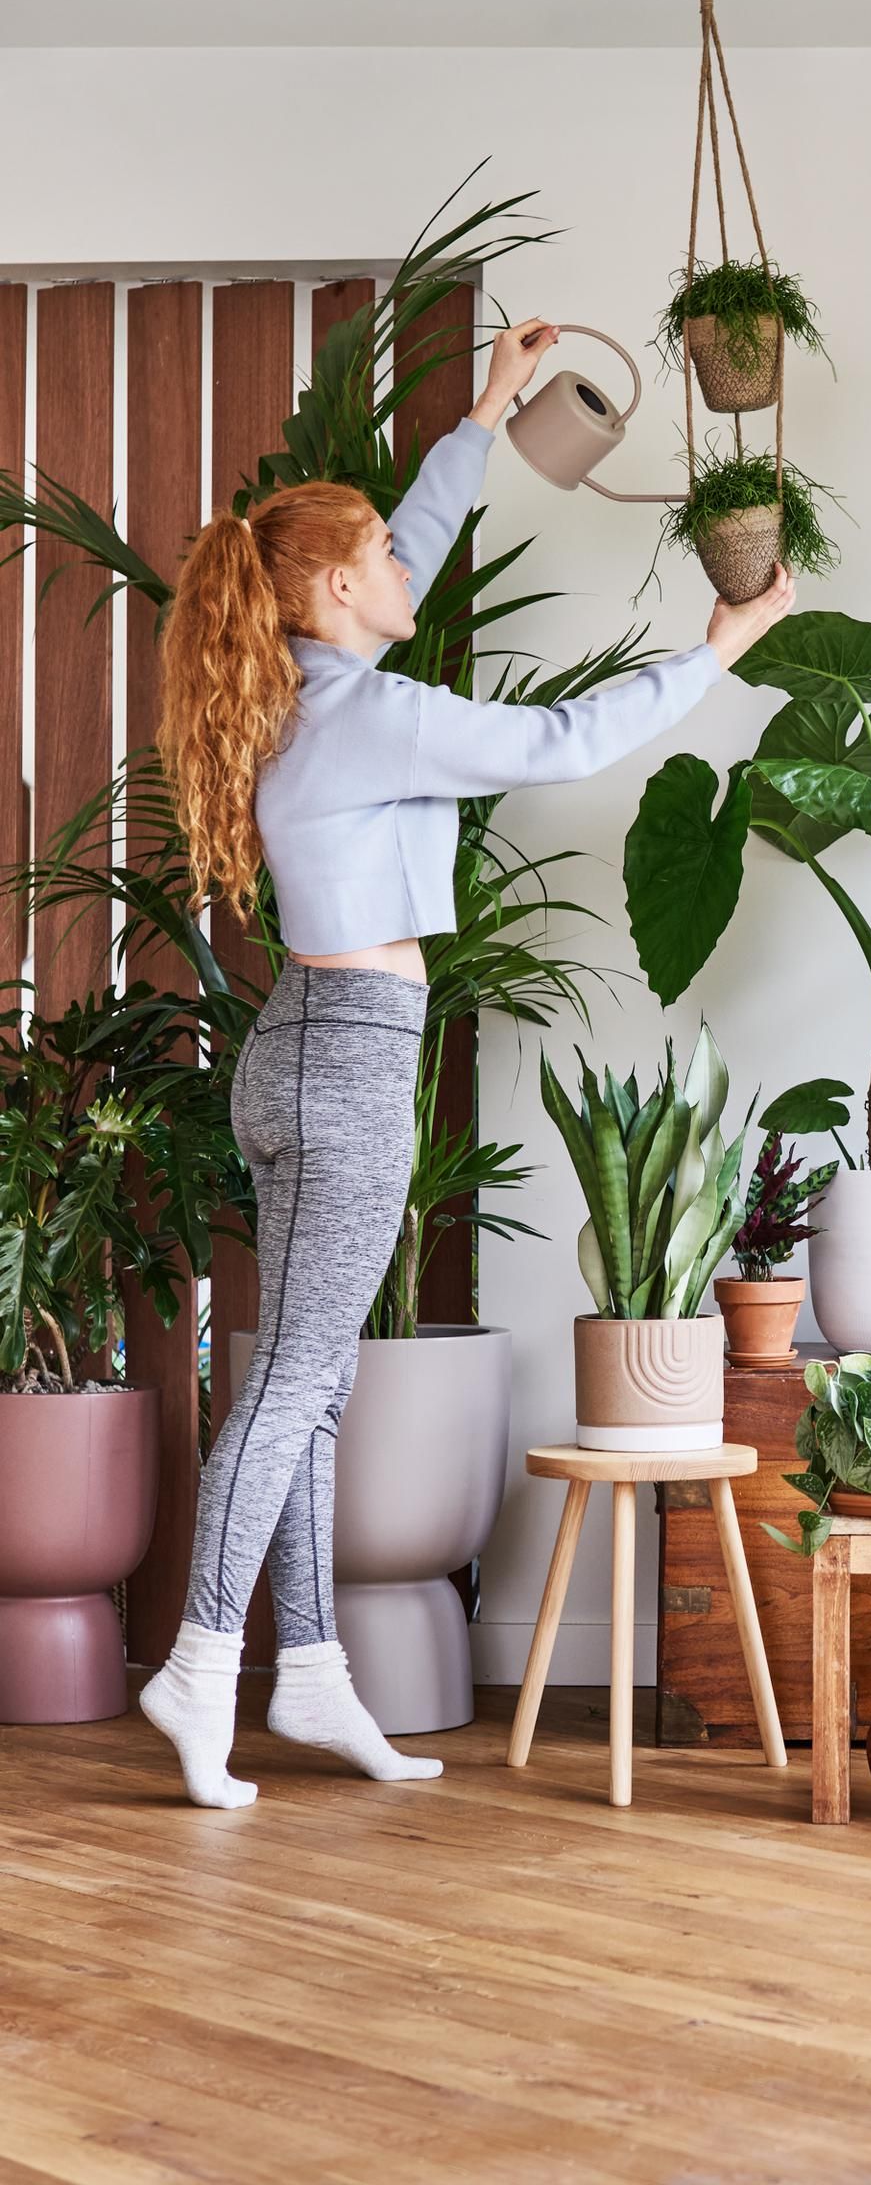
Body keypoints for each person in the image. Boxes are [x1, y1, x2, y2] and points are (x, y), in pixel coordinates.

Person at [137, 318, 795, 1808]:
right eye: (371, 554)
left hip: (296, 1049)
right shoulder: (366, 714)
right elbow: (561, 744)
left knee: (302, 1390)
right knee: (298, 1381)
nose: (399, 571)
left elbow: (408, 554)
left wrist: (488, 413)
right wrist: (716, 651)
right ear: (325, 590)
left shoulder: (297, 686)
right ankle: (197, 1667)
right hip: (350, 1064)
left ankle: (308, 1678)